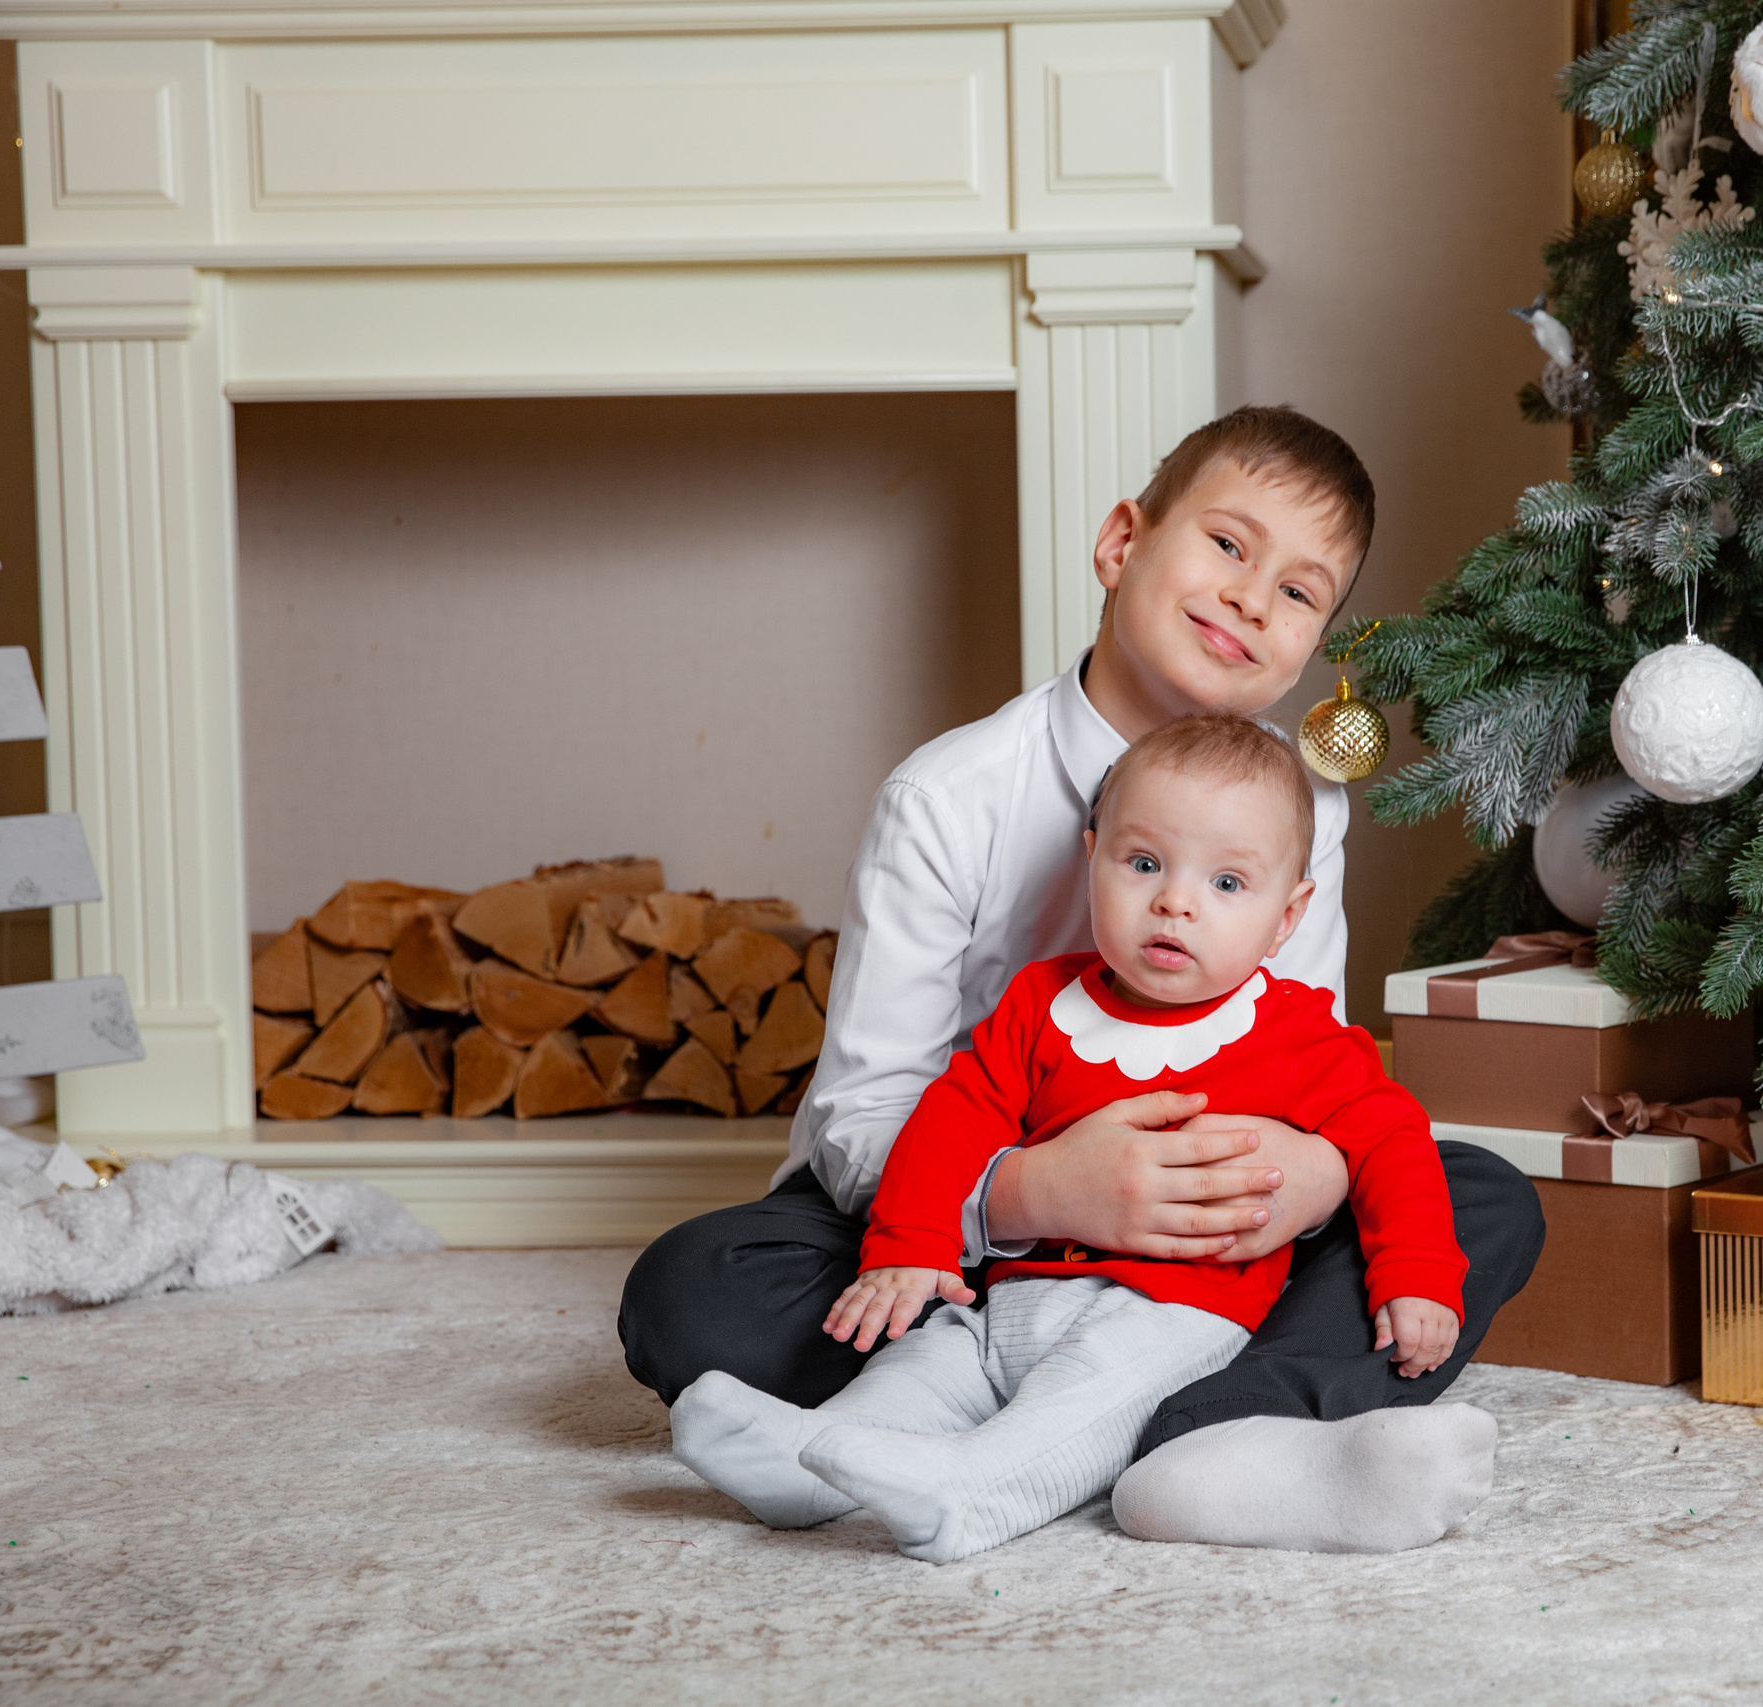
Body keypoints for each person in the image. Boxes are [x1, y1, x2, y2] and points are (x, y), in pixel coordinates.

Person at [618, 404, 1545, 1554]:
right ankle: (1111, 1423)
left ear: (1312, 647)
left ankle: (1214, 1436)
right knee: (693, 1294)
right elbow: (867, 1119)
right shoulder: (948, 796)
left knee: (1478, 1198)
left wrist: (1304, 1178)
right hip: (958, 1218)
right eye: (1226, 546)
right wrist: (1046, 1193)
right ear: (1120, 545)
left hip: (1213, 1239)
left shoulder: (1310, 814)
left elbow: (1307, 1054)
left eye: (1301, 593)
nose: (1253, 599)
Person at [670, 716, 1476, 1562]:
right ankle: (807, 1461)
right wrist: (910, 1243)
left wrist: (1416, 1275)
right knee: (926, 1368)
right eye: (1142, 864)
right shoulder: (1040, 1002)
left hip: (1173, 1315)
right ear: (1091, 859)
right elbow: (954, 1114)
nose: (1176, 901)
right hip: (1008, 1298)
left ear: (1287, 916)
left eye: (1229, 883)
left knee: (1081, 1399)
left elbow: (1393, 1138)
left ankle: (972, 1492)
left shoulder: (1298, 1031)